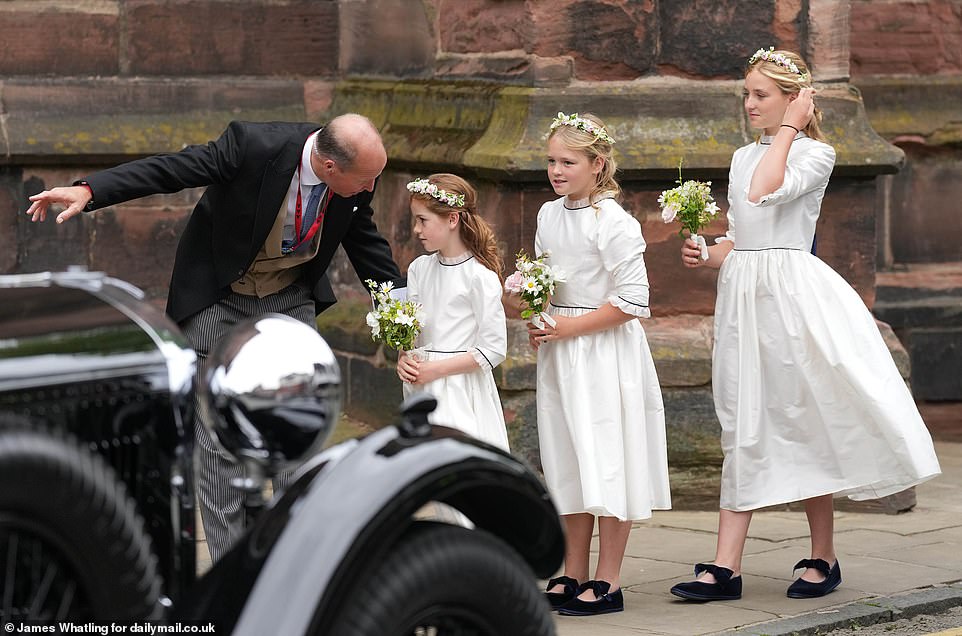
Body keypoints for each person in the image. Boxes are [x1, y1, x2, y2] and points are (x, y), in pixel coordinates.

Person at [25, 113, 402, 562]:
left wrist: (402, 309)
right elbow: (172, 169)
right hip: (221, 298)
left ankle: (294, 561)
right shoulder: (252, 146)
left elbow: (365, 242)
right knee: (218, 444)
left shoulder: (357, 178)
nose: (370, 187)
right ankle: (231, 570)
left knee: (301, 425)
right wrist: (89, 190)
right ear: (329, 167)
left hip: (290, 297)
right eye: (366, 179)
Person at [670, 48, 942, 602]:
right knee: (743, 416)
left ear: (793, 100)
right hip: (745, 298)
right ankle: (726, 565)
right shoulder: (743, 156)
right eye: (746, 94)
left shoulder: (816, 154)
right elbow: (745, 233)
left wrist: (791, 129)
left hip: (792, 300)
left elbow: (766, 191)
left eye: (761, 95)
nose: (749, 104)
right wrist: (711, 250)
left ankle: (823, 554)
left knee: (803, 416)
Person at [530, 112, 671, 616]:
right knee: (566, 457)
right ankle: (573, 571)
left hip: (604, 351)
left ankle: (608, 580)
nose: (556, 170)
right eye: (551, 160)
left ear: (598, 164)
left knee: (607, 457)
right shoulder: (549, 215)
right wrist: (539, 315)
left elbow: (632, 300)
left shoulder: (614, 222)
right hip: (561, 352)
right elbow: (546, 278)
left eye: (568, 161)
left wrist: (567, 327)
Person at [396, 174, 510, 451]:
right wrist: (403, 357)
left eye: (423, 220)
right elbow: (413, 331)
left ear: (452, 219)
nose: (415, 229)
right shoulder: (419, 269)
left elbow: (493, 349)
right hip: (421, 386)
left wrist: (436, 370)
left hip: (461, 389)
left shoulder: (479, 277)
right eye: (415, 220)